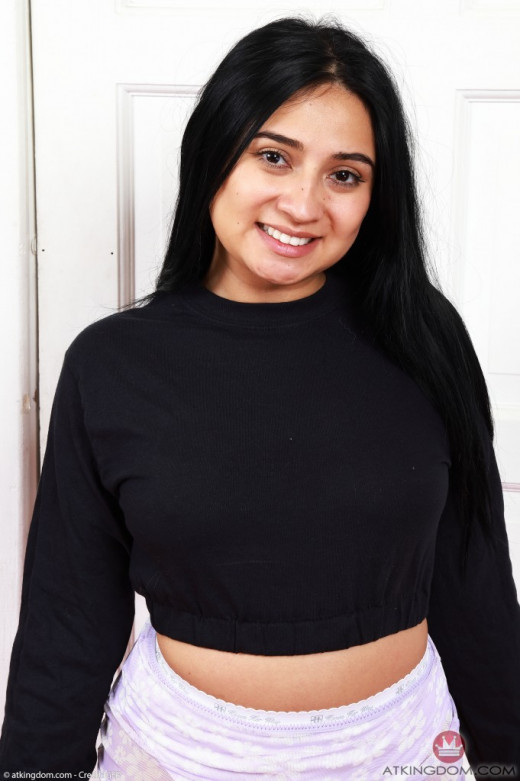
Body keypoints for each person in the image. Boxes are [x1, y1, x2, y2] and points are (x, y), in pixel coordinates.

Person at [1, 15, 519, 779]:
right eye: (273, 156)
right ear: (216, 150)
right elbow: (67, 622)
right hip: (177, 755)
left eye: (345, 175)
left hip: (405, 750)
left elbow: (475, 582)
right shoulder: (111, 364)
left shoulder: (422, 335)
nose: (304, 205)